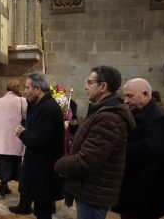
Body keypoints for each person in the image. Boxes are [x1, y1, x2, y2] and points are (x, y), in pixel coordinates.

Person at [54, 65, 135, 219]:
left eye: (89, 83)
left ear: (103, 86)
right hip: (90, 188)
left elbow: (87, 160)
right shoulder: (102, 111)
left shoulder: (109, 118)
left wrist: (60, 164)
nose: (85, 87)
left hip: (94, 192)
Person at [9, 71, 64, 219]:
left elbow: (37, 140)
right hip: (39, 166)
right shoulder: (39, 104)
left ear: (37, 88)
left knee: (43, 210)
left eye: (27, 87)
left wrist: (22, 133)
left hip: (43, 168)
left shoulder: (47, 108)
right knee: (41, 208)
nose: (25, 91)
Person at [112, 78, 164, 219]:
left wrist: (117, 149)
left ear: (145, 95)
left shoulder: (160, 118)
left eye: (129, 96)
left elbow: (149, 150)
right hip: (132, 188)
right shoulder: (136, 113)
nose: (125, 100)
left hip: (146, 191)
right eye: (124, 96)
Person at [0, 79, 27, 197]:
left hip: (1, 139)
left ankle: (3, 185)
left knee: (2, 163)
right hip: (15, 139)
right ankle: (22, 192)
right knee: (15, 164)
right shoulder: (22, 101)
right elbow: (26, 119)